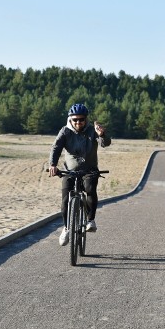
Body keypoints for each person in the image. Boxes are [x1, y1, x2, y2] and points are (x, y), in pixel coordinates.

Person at [48, 103, 111, 246]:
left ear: (85, 119)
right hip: (69, 171)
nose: (78, 122)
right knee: (65, 200)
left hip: (89, 171)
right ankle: (66, 228)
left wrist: (102, 135)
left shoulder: (92, 130)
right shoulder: (65, 131)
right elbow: (56, 147)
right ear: (70, 119)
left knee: (90, 188)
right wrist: (53, 165)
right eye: (75, 119)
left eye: (81, 119)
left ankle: (90, 220)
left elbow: (105, 143)